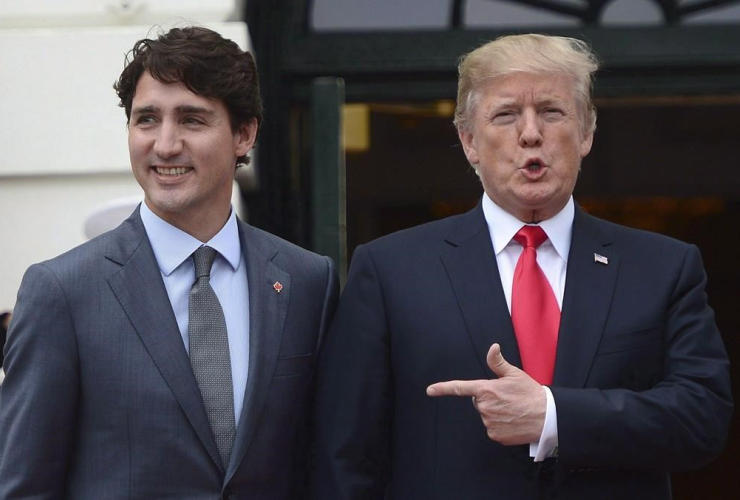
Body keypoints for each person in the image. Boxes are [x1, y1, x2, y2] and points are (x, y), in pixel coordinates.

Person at [310, 34, 732, 499]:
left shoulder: (663, 267)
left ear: (587, 132)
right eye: (506, 114)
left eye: (551, 111)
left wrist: (554, 416)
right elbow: (345, 456)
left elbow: (702, 418)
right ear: (469, 141)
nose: (530, 133)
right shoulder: (391, 270)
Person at [0, 26, 338, 499]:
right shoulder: (62, 291)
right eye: (146, 120)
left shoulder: (307, 281)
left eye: (191, 120)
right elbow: (24, 486)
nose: (164, 145)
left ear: (244, 133)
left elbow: (322, 463)